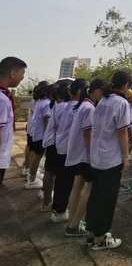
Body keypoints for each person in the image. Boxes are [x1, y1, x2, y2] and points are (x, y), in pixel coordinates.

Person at [86, 70, 131, 250]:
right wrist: (125, 156)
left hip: (97, 156)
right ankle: (100, 237)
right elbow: (122, 132)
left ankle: (92, 231)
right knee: (107, 198)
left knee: (96, 196)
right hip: (110, 158)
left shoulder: (103, 100)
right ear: (126, 85)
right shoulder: (121, 103)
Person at [64, 78, 106, 237]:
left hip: (77, 153)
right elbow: (88, 133)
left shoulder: (82, 106)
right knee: (88, 189)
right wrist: (93, 154)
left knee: (77, 187)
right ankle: (74, 225)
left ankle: (71, 223)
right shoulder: (89, 108)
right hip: (85, 155)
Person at [51, 79, 86, 223]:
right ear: (78, 91)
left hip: (60, 146)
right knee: (67, 182)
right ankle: (61, 211)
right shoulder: (77, 108)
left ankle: (58, 208)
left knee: (61, 180)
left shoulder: (62, 106)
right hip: (69, 149)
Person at [0, 57, 27, 185]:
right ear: (12, 73)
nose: (22, 78)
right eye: (22, 73)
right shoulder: (2, 100)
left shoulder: (5, 96)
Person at [40, 83, 62, 211]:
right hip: (55, 143)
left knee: (49, 171)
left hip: (51, 142)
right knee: (51, 173)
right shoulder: (57, 106)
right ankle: (47, 201)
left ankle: (46, 199)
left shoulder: (53, 105)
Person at [27, 81, 51, 189]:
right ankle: (32, 180)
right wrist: (47, 136)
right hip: (41, 135)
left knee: (35, 155)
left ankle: (31, 176)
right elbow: (46, 121)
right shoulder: (46, 103)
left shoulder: (40, 101)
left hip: (35, 133)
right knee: (38, 157)